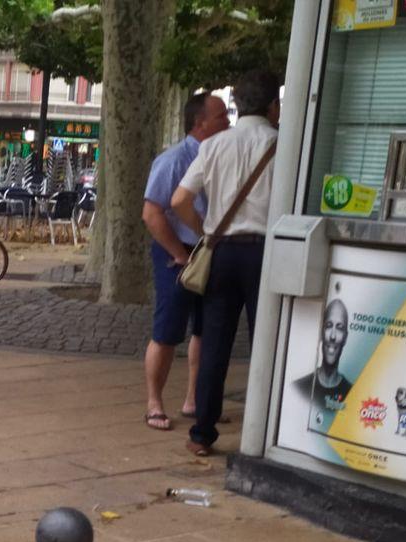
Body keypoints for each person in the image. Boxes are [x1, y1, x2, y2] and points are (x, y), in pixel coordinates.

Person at [172, 69, 281, 456]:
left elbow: (179, 201)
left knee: (215, 342)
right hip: (265, 252)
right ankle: (264, 431)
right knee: (265, 341)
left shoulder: (214, 145)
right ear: (273, 105)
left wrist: (206, 231)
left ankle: (202, 433)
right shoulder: (281, 144)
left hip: (221, 251)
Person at [141, 92, 230, 431]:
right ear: (200, 123)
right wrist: (179, 254)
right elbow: (151, 213)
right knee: (167, 332)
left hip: (207, 252)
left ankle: (194, 400)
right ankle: (154, 403)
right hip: (177, 254)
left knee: (205, 331)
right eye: (221, 116)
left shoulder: (218, 157)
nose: (228, 122)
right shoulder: (174, 159)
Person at [293, 298, 353, 415]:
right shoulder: (298, 389)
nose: (333, 336)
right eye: (329, 326)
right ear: (321, 332)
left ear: (345, 337)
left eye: (339, 328)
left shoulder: (353, 394)